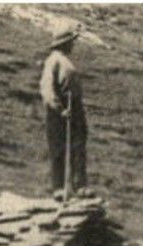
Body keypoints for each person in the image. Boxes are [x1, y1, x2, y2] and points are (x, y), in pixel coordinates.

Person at [40, 24, 88, 198]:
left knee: (78, 146)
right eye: (71, 42)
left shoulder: (65, 60)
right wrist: (60, 109)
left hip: (74, 107)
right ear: (64, 43)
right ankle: (59, 188)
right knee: (59, 148)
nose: (73, 45)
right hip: (59, 110)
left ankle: (79, 186)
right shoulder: (53, 60)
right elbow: (47, 89)